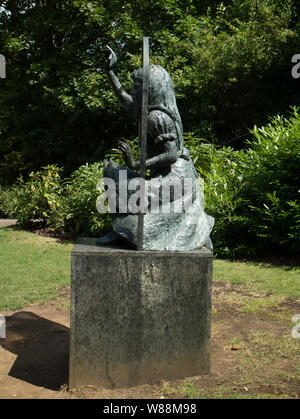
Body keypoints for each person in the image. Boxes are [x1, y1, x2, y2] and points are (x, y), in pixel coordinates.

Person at [97, 46, 214, 251]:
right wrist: (109, 71)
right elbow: (124, 98)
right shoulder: (145, 111)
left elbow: (170, 155)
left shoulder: (157, 117)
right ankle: (123, 232)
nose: (132, 91)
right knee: (114, 175)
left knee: (119, 182)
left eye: (136, 87)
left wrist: (135, 163)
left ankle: (126, 233)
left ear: (148, 91)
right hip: (163, 175)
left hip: (176, 179)